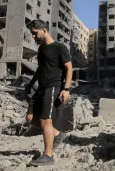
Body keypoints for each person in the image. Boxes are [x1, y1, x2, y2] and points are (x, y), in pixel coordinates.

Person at [25, 20, 73, 166]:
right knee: (31, 118)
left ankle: (48, 155)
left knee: (46, 121)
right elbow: (40, 68)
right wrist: (31, 83)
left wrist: (66, 89)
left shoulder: (59, 47)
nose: (33, 36)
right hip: (41, 87)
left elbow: (69, 68)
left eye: (34, 33)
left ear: (44, 30)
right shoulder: (41, 49)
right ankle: (57, 135)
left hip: (53, 86)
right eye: (32, 33)